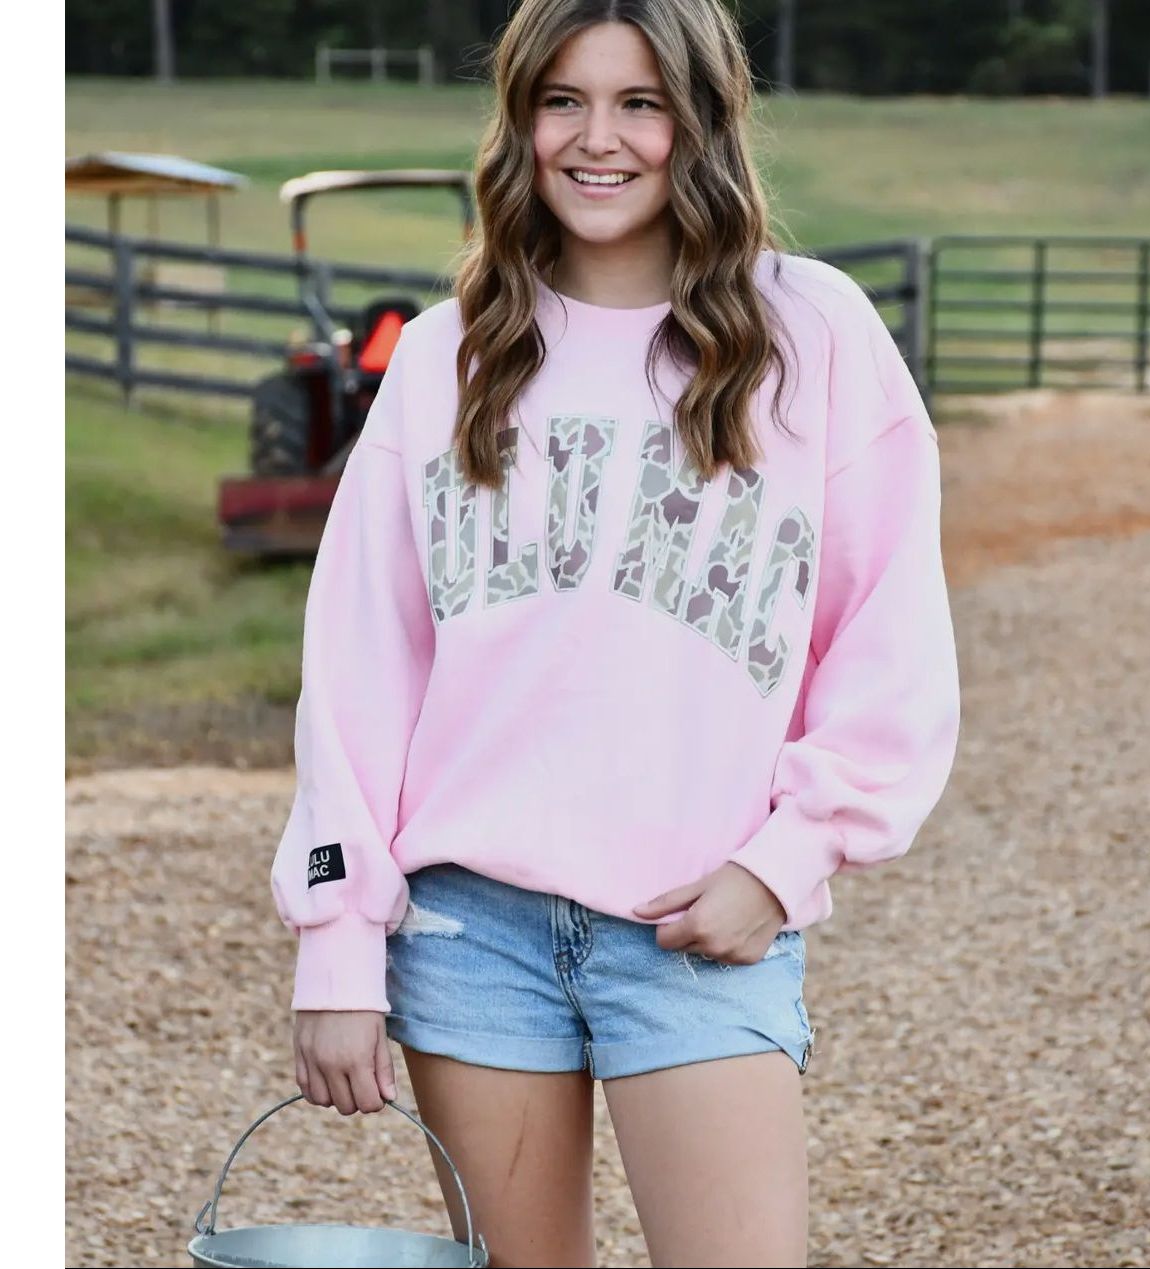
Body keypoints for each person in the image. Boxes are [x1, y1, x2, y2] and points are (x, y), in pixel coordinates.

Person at [269, 0, 960, 1264]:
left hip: (698, 929)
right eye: (563, 101)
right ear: (520, 121)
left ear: (699, 122)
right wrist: (337, 941)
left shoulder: (811, 336)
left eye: (640, 102)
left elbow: (890, 637)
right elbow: (360, 669)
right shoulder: (445, 360)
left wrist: (787, 859)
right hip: (468, 936)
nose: (601, 139)